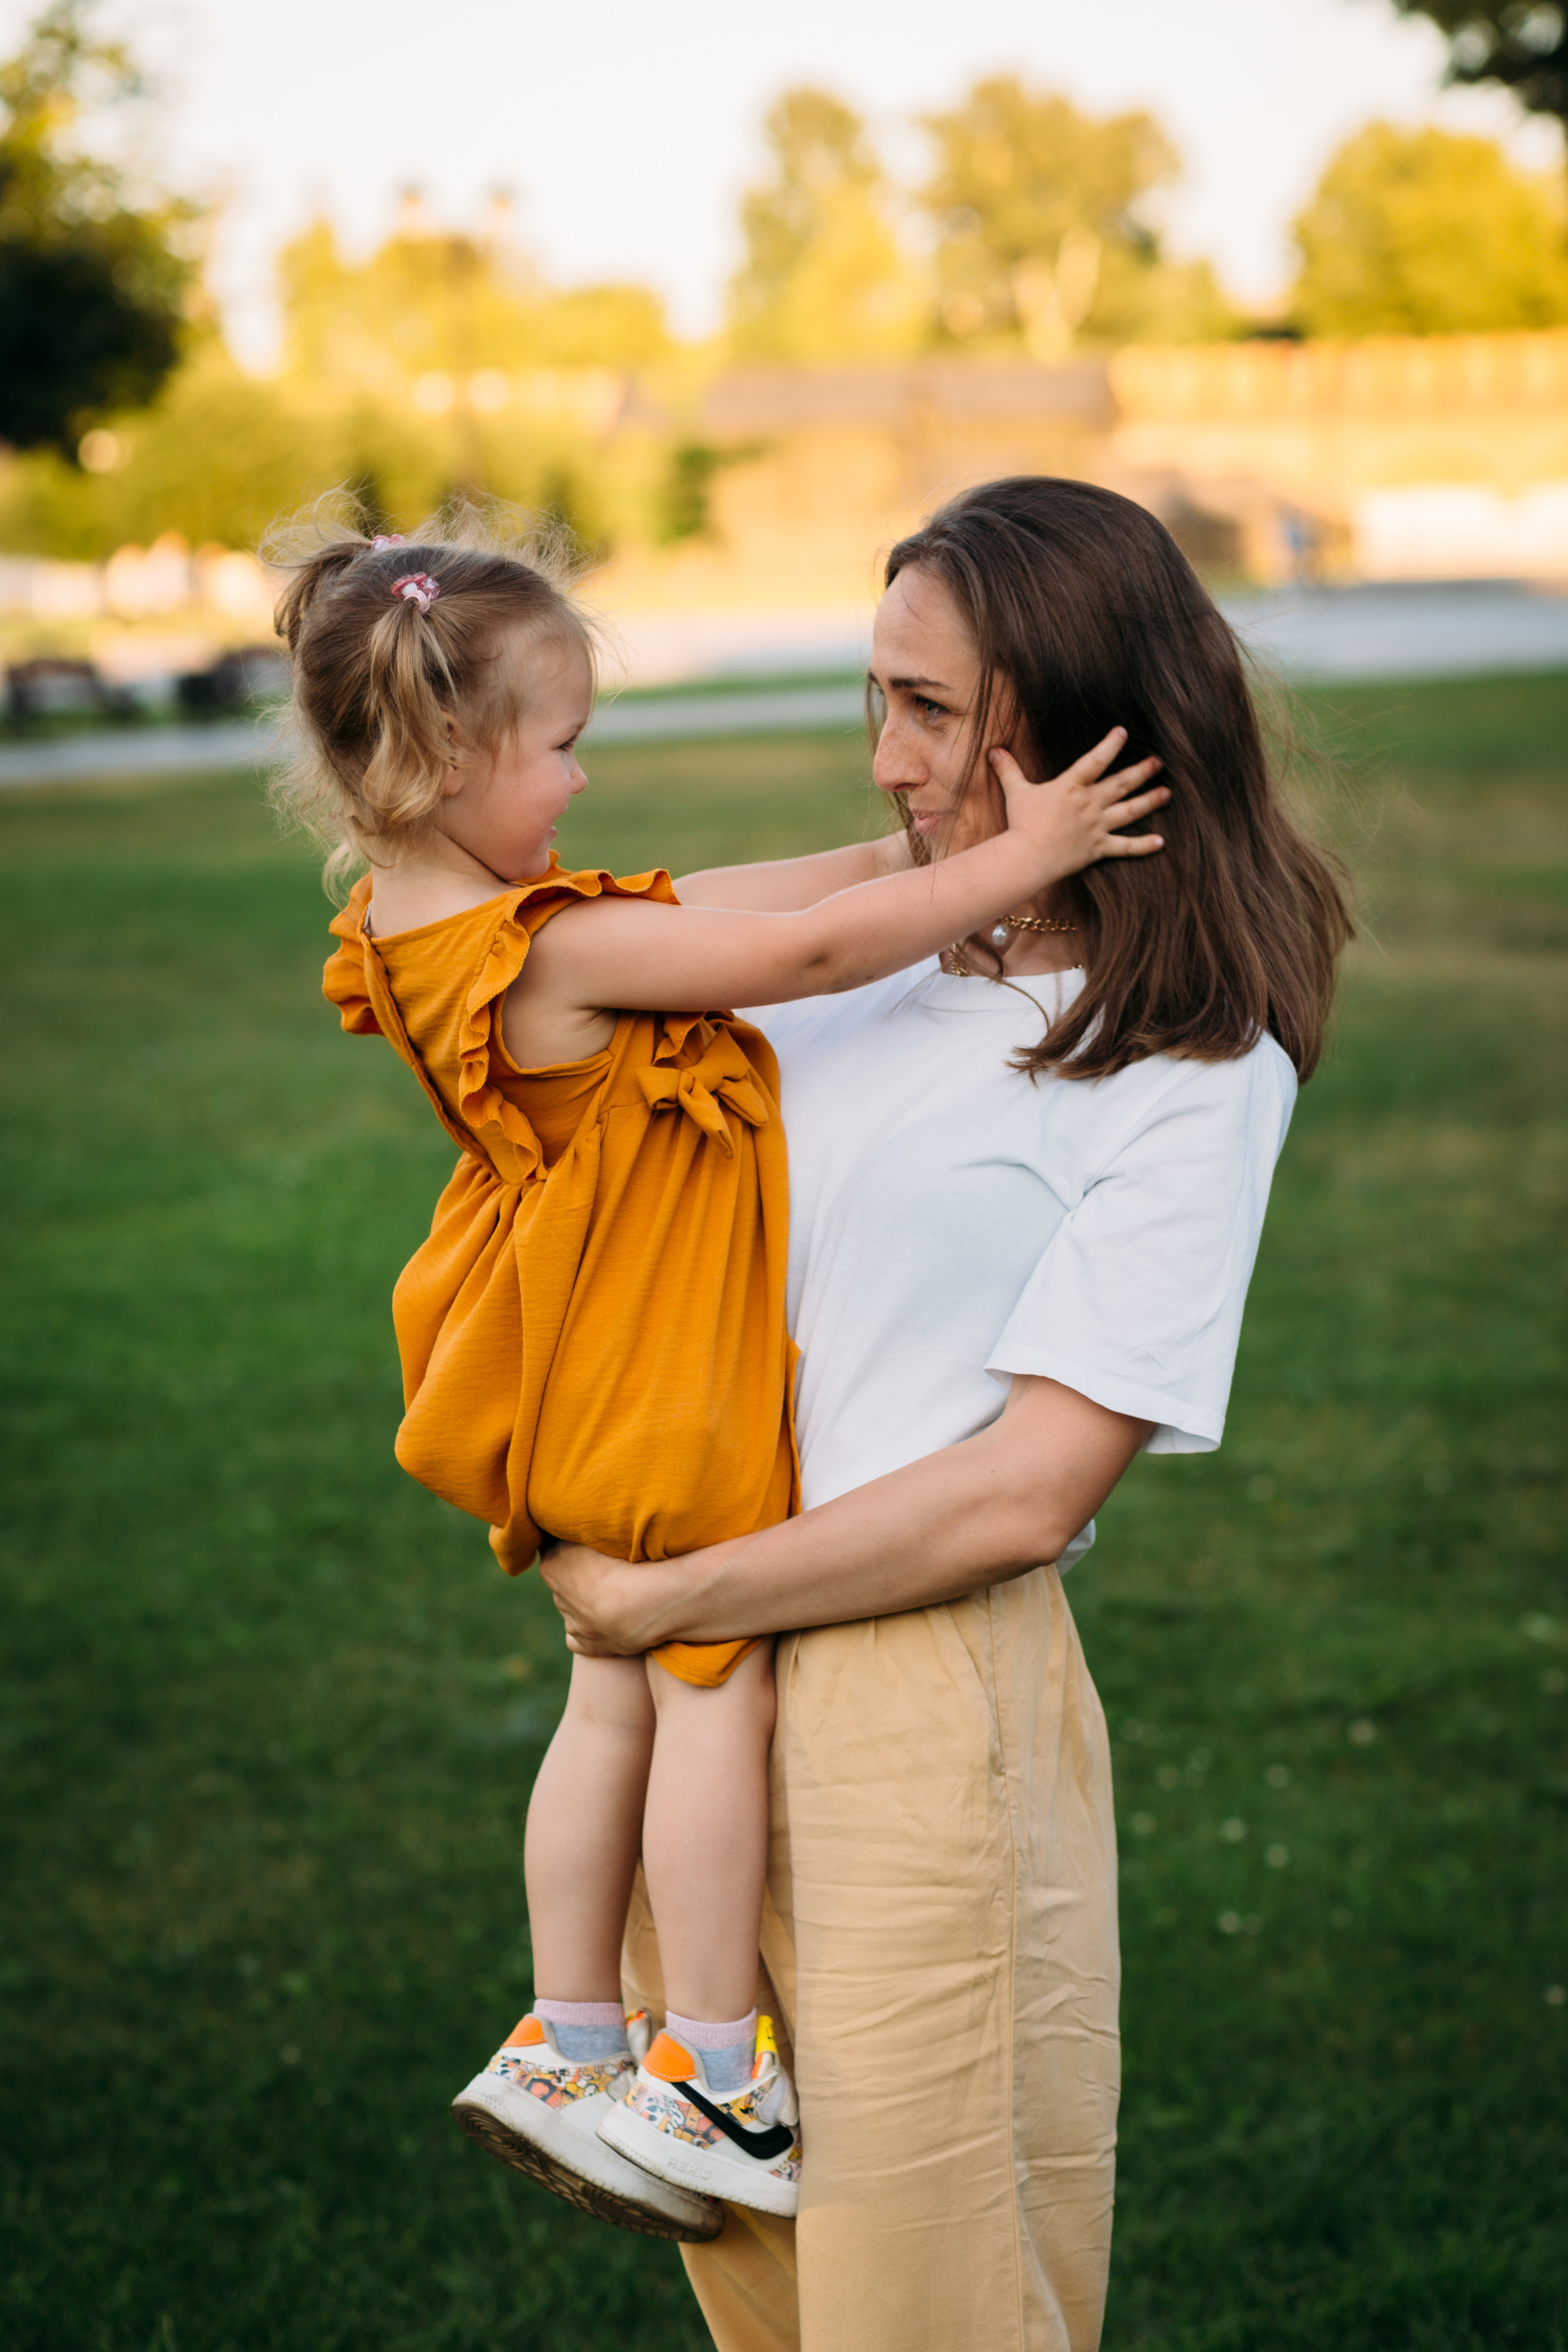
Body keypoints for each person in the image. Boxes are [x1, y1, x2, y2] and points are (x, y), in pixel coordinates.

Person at [269, 507, 1170, 2249]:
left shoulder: (437, 918)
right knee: (704, 1682)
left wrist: (900, 841)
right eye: (564, 747)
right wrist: (1020, 850)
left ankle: (566, 2034)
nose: (585, 784)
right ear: (456, 755)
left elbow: (752, 900)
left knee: (609, 1695)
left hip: (570, 1367)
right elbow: (806, 959)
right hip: (655, 1374)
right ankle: (707, 2065)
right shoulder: (550, 953)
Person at [540, 474, 1354, 2352]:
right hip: (703, 1725)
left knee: (935, 2301)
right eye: (876, 697)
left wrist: (673, 1599)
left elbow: (1030, 1487)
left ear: (1079, 730)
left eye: (931, 710)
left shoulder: (1190, 1064)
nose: (889, 758)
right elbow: (543, 947)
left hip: (913, 1707)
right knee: (771, 2286)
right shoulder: (843, 962)